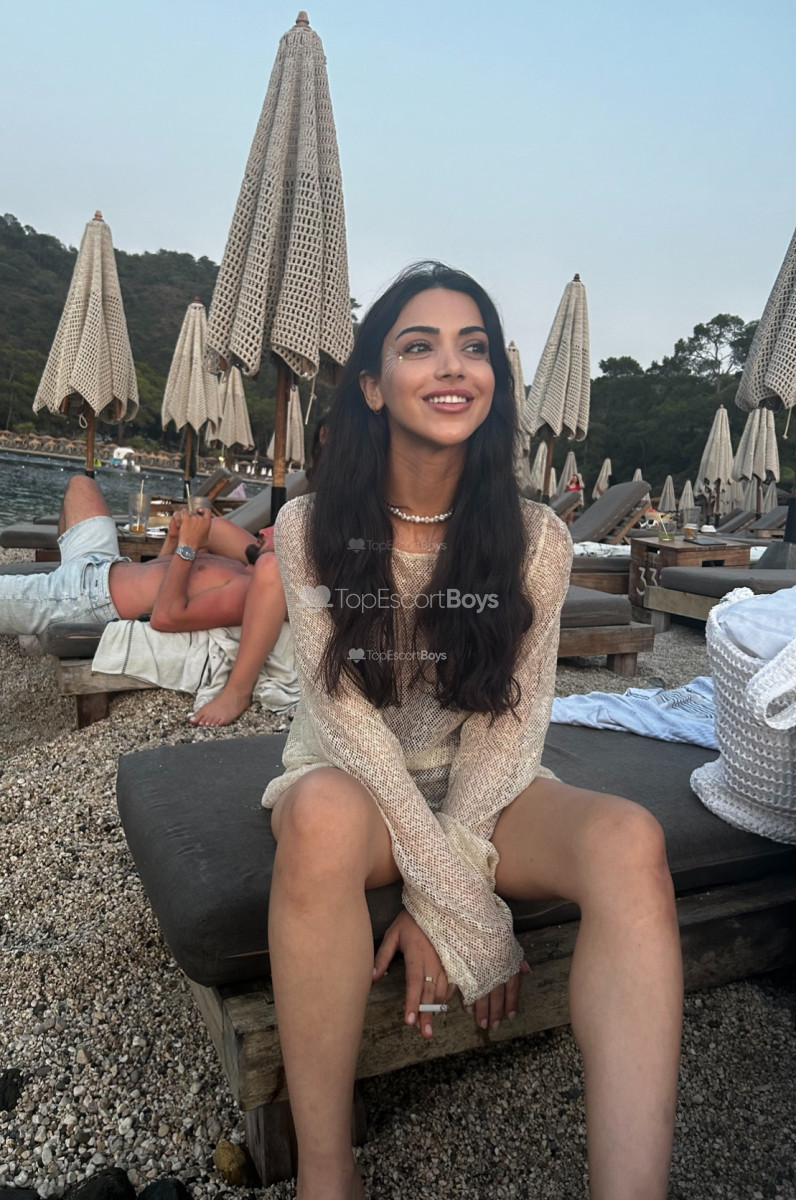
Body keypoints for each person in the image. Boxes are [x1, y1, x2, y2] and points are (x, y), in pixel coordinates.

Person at [262, 262, 682, 1200]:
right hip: (350, 779)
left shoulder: (537, 541)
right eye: (420, 346)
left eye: (475, 347)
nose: (453, 366)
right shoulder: (308, 527)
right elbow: (346, 724)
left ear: (494, 381)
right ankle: (327, 1178)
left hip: (484, 786)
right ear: (373, 385)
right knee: (323, 817)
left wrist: (439, 902)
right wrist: (468, 907)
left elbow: (510, 731)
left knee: (630, 840)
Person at [0, 476, 287, 724]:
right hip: (104, 562)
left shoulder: (246, 589)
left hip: (82, 599)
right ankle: (35, 618)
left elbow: (164, 616)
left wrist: (187, 546)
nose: (262, 530)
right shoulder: (248, 562)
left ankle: (39, 611)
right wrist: (173, 540)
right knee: (81, 485)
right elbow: (159, 575)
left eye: (275, 530)